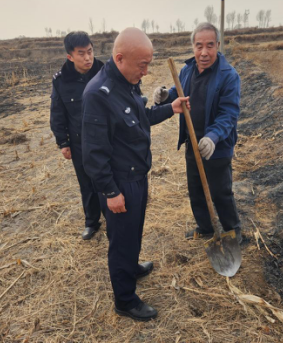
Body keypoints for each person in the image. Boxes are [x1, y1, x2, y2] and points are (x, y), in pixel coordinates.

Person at [82, 28, 190, 322]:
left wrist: (171, 108)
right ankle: (125, 300)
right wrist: (110, 192)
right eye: (142, 64)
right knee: (122, 240)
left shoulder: (127, 83)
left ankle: (130, 267)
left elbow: (140, 119)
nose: (146, 71)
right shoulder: (98, 94)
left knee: (133, 232)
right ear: (120, 58)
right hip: (120, 183)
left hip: (137, 176)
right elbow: (92, 153)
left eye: (149, 63)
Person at [153, 22, 242, 243]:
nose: (204, 52)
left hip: (217, 145)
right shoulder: (187, 70)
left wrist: (212, 137)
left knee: (221, 191)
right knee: (196, 188)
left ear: (218, 45)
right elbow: (178, 92)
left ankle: (233, 230)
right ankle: (205, 227)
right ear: (193, 46)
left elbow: (228, 114)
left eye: (210, 46)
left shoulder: (228, 76)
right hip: (192, 139)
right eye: (199, 45)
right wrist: (166, 95)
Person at [50, 32, 104, 241]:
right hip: (79, 140)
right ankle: (92, 222)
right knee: (86, 182)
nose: (88, 58)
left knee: (109, 178)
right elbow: (57, 112)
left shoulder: (105, 72)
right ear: (70, 56)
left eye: (90, 52)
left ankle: (113, 217)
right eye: (81, 54)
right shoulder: (62, 81)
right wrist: (63, 142)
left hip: (106, 137)